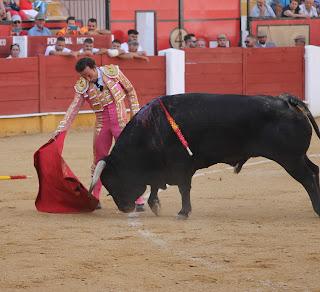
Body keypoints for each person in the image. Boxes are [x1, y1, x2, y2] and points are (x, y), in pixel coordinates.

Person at [53, 57, 145, 211]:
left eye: (89, 75)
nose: (87, 79)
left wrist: (136, 114)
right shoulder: (83, 86)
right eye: (84, 76)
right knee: (98, 160)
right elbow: (73, 108)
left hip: (121, 122)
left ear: (95, 67)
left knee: (128, 158)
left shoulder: (112, 72)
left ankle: (138, 198)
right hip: (102, 124)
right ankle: (95, 198)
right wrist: (61, 128)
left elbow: (130, 90)